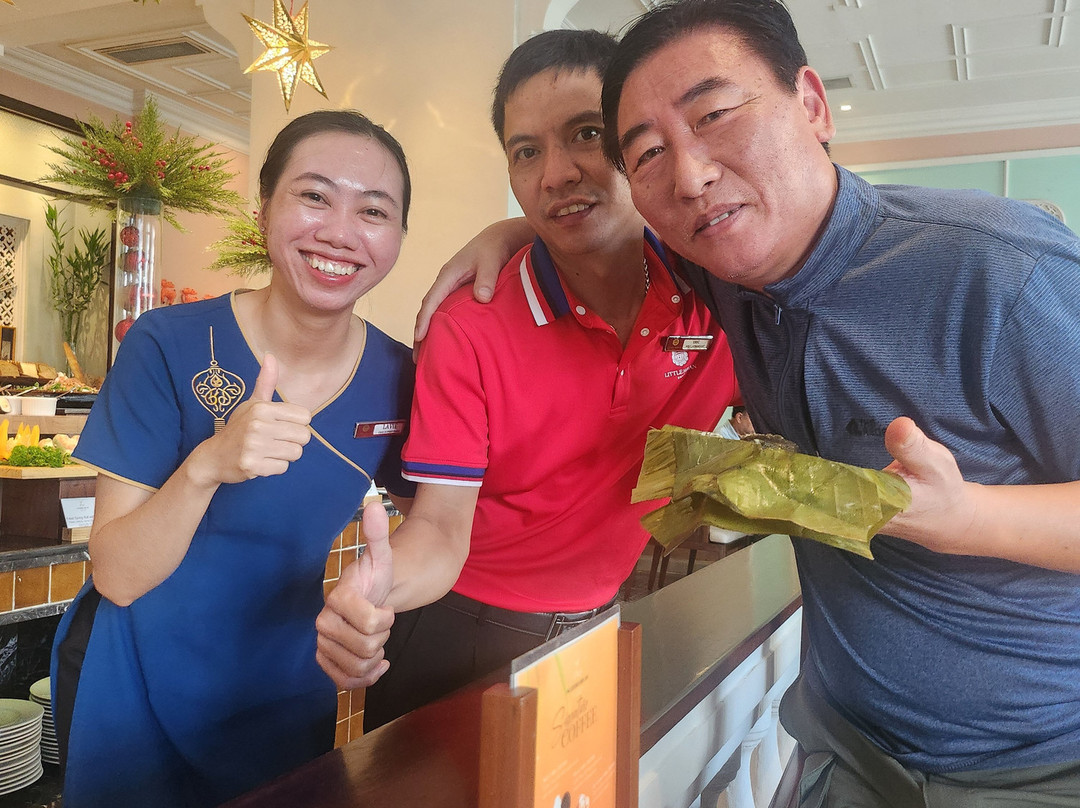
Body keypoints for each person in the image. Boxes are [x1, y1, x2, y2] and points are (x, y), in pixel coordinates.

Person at [419, 2, 1080, 805]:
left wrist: (968, 518)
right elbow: (597, 232)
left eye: (715, 116)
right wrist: (509, 232)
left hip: (1035, 762)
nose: (690, 175)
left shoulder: (1002, 271)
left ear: (813, 104)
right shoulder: (721, 273)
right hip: (843, 750)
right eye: (649, 152)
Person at [314, 29, 739, 729]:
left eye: (587, 134)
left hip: (601, 617)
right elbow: (441, 524)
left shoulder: (716, 292)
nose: (556, 174)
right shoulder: (469, 324)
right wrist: (377, 588)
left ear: (639, 139)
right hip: (462, 633)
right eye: (526, 152)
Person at [51, 110, 417, 808]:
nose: (340, 232)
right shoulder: (167, 342)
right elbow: (116, 574)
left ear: (398, 236)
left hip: (283, 691)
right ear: (264, 208)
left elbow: (439, 525)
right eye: (314, 196)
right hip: (132, 689)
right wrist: (207, 465)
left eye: (373, 211)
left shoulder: (400, 376)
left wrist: (376, 598)